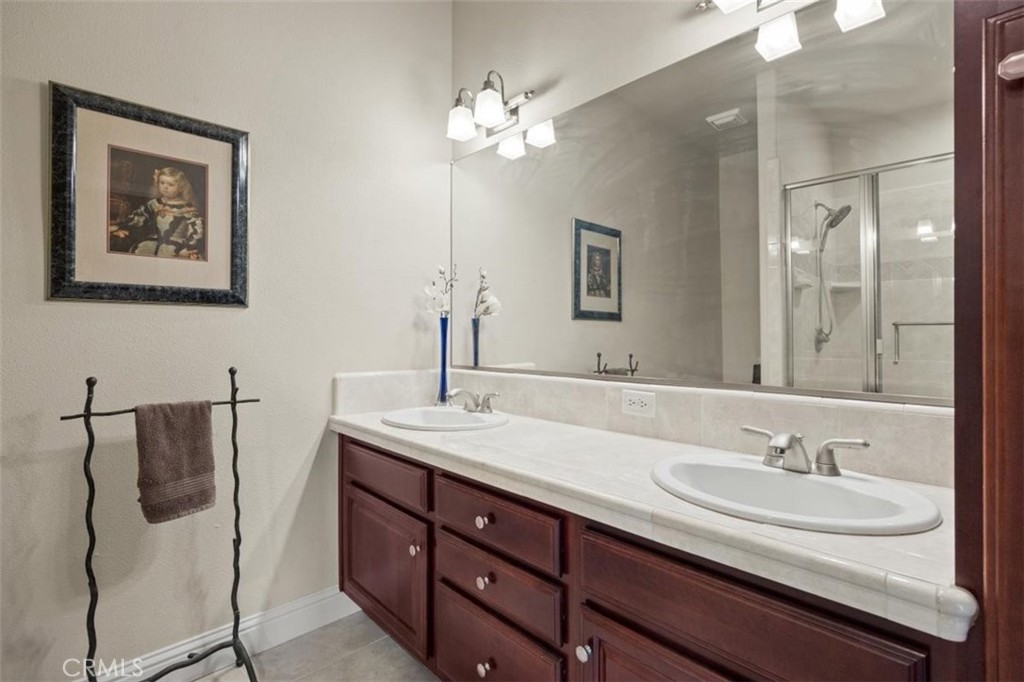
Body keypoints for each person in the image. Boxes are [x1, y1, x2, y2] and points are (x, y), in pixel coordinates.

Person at [109, 167, 205, 260]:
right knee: (141, 250)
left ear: (180, 188)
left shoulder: (188, 209)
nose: (165, 187)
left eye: (170, 185)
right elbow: (137, 218)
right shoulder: (154, 204)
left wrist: (188, 248)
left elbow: (197, 231)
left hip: (178, 246)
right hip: (154, 242)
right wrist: (118, 226)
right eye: (162, 183)